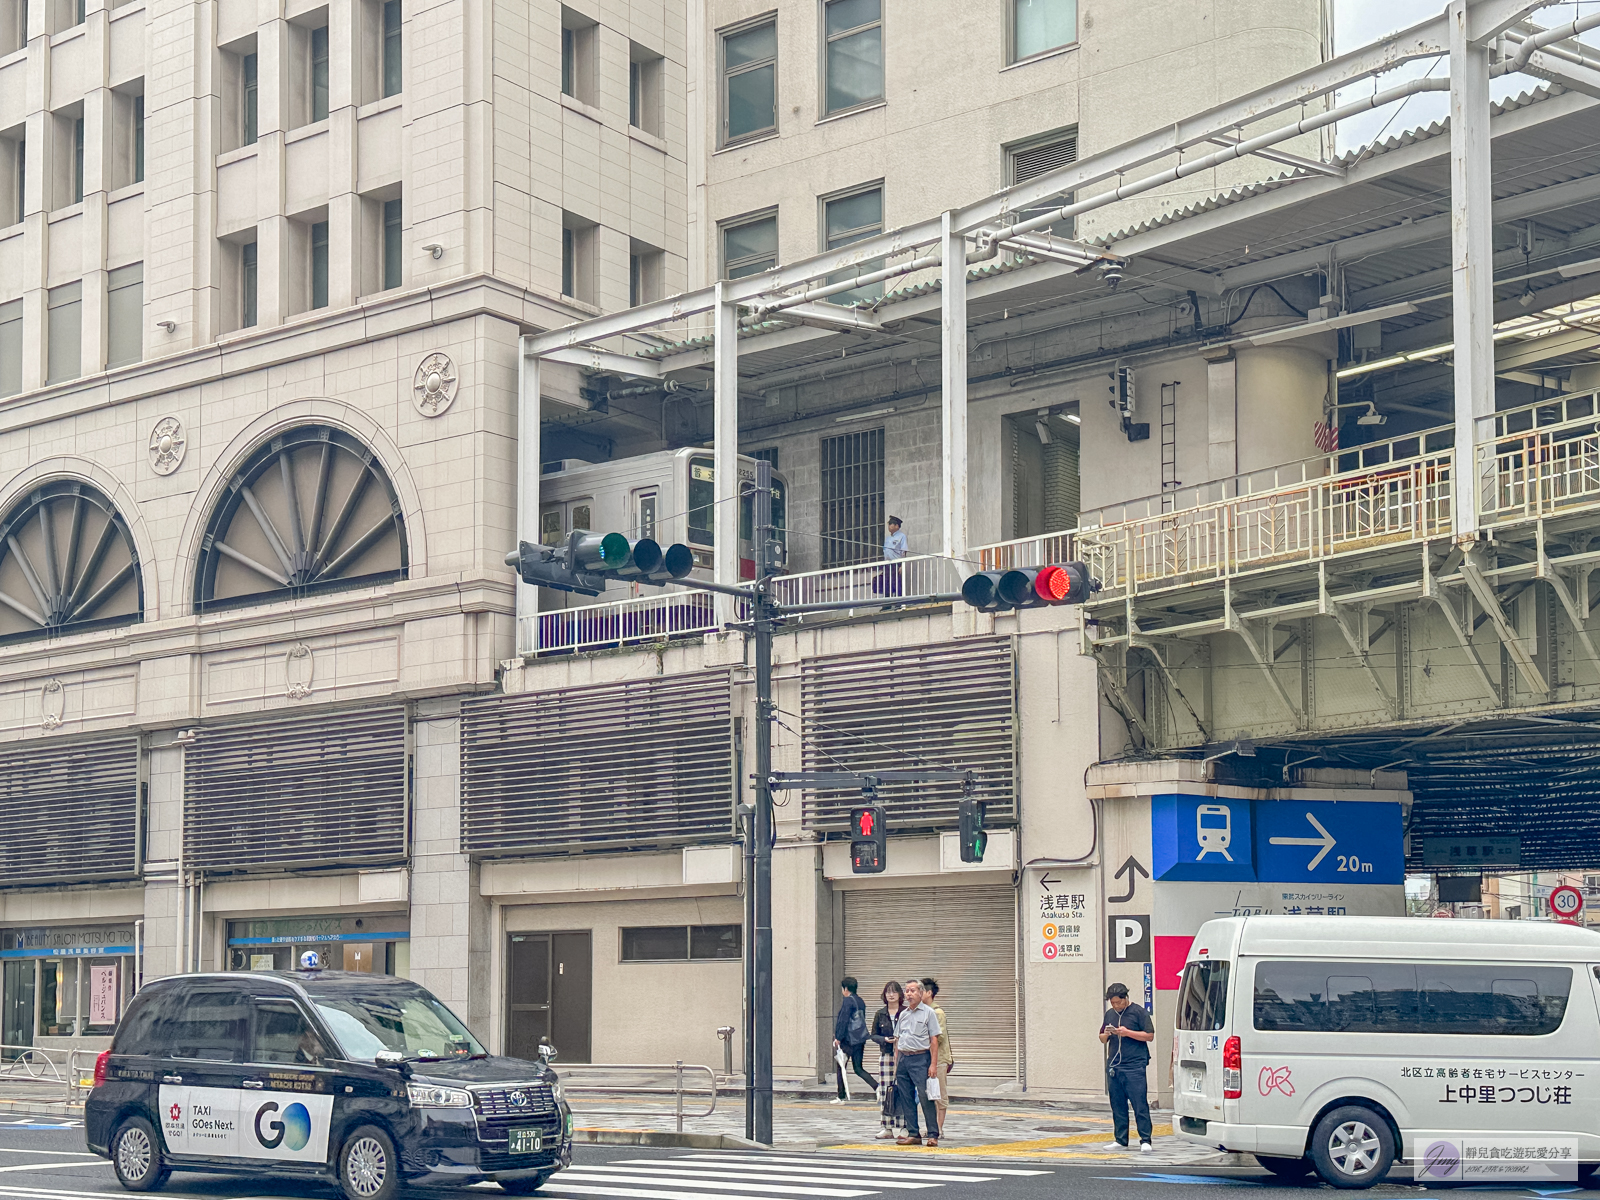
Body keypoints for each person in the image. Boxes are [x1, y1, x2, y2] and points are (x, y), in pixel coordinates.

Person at [1099, 982, 1155, 1152]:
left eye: (1118, 1002)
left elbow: (1149, 1035)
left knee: (1139, 1103)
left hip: (1134, 1065)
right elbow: (1102, 1038)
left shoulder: (1138, 1012)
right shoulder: (1110, 1014)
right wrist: (1108, 1033)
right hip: (1114, 1065)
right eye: (1113, 1003)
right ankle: (1120, 1139)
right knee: (1117, 1103)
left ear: (1126, 998)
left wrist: (1127, 1032)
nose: (1116, 1005)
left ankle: (1145, 1139)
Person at [892, 977, 941, 1146]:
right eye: (907, 991)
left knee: (925, 1096)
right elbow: (898, 1040)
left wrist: (933, 1064)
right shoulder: (903, 1014)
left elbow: (934, 1040)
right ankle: (914, 1133)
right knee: (906, 1097)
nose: (909, 994)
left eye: (913, 990)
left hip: (921, 1058)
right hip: (904, 1059)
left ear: (921, 993)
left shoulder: (929, 1013)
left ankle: (933, 1134)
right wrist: (897, 1062)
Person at [831, 977, 876, 1102]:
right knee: (858, 1068)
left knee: (841, 1066)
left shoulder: (847, 1001)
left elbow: (843, 1020)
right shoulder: (860, 1001)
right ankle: (877, 1087)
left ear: (845, 989)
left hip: (848, 1041)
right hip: (859, 1040)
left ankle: (841, 1096)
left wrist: (838, 1037)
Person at [871, 981, 905, 1140]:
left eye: (894, 992)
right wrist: (885, 1039)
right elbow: (873, 1035)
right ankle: (887, 1127)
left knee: (905, 1089)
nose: (891, 995)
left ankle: (906, 1126)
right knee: (885, 1091)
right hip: (886, 1055)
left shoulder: (906, 1012)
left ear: (900, 994)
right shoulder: (880, 1014)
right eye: (888, 992)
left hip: (905, 1054)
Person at [921, 977, 952, 1140]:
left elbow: (937, 1038)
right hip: (925, 1059)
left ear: (929, 993)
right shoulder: (921, 1011)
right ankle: (932, 1127)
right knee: (928, 1095)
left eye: (921, 990)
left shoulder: (937, 1013)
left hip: (939, 1059)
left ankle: (939, 1128)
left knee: (939, 1094)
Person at [875, 517, 906, 602]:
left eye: (891, 525)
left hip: (896, 564)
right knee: (886, 584)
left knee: (896, 584)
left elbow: (904, 551)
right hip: (887, 564)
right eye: (889, 525)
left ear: (897, 526)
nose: (889, 527)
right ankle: (887, 605)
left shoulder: (901, 536)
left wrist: (902, 565)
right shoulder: (887, 538)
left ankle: (899, 603)